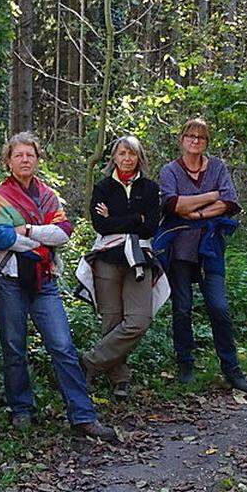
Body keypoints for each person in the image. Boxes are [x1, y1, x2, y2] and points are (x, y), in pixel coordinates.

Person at [0, 131, 118, 440]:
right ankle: (22, 410)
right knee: (14, 348)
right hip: (9, 282)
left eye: (30, 154)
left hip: (45, 281)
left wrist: (28, 230)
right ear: (8, 160)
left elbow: (64, 232)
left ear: (37, 158)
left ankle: (83, 416)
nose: (25, 159)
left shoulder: (48, 195)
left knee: (63, 346)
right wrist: (40, 239)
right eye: (18, 155)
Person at [154, 118, 247, 392]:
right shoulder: (170, 170)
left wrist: (195, 212)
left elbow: (231, 201)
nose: (195, 141)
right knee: (182, 308)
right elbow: (173, 204)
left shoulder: (218, 167)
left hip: (210, 247)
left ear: (206, 142)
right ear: (182, 139)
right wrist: (211, 196)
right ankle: (185, 364)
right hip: (180, 247)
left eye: (201, 137)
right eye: (190, 135)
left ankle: (231, 367)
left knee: (219, 308)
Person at [79, 135, 161, 399]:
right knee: (112, 320)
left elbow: (150, 226)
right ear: (114, 157)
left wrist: (118, 219)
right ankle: (120, 380)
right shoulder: (103, 187)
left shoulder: (149, 188)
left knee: (139, 320)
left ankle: (89, 362)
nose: (127, 159)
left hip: (139, 258)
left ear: (140, 158)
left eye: (132, 154)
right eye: (122, 153)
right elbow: (100, 226)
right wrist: (135, 218)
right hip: (108, 259)